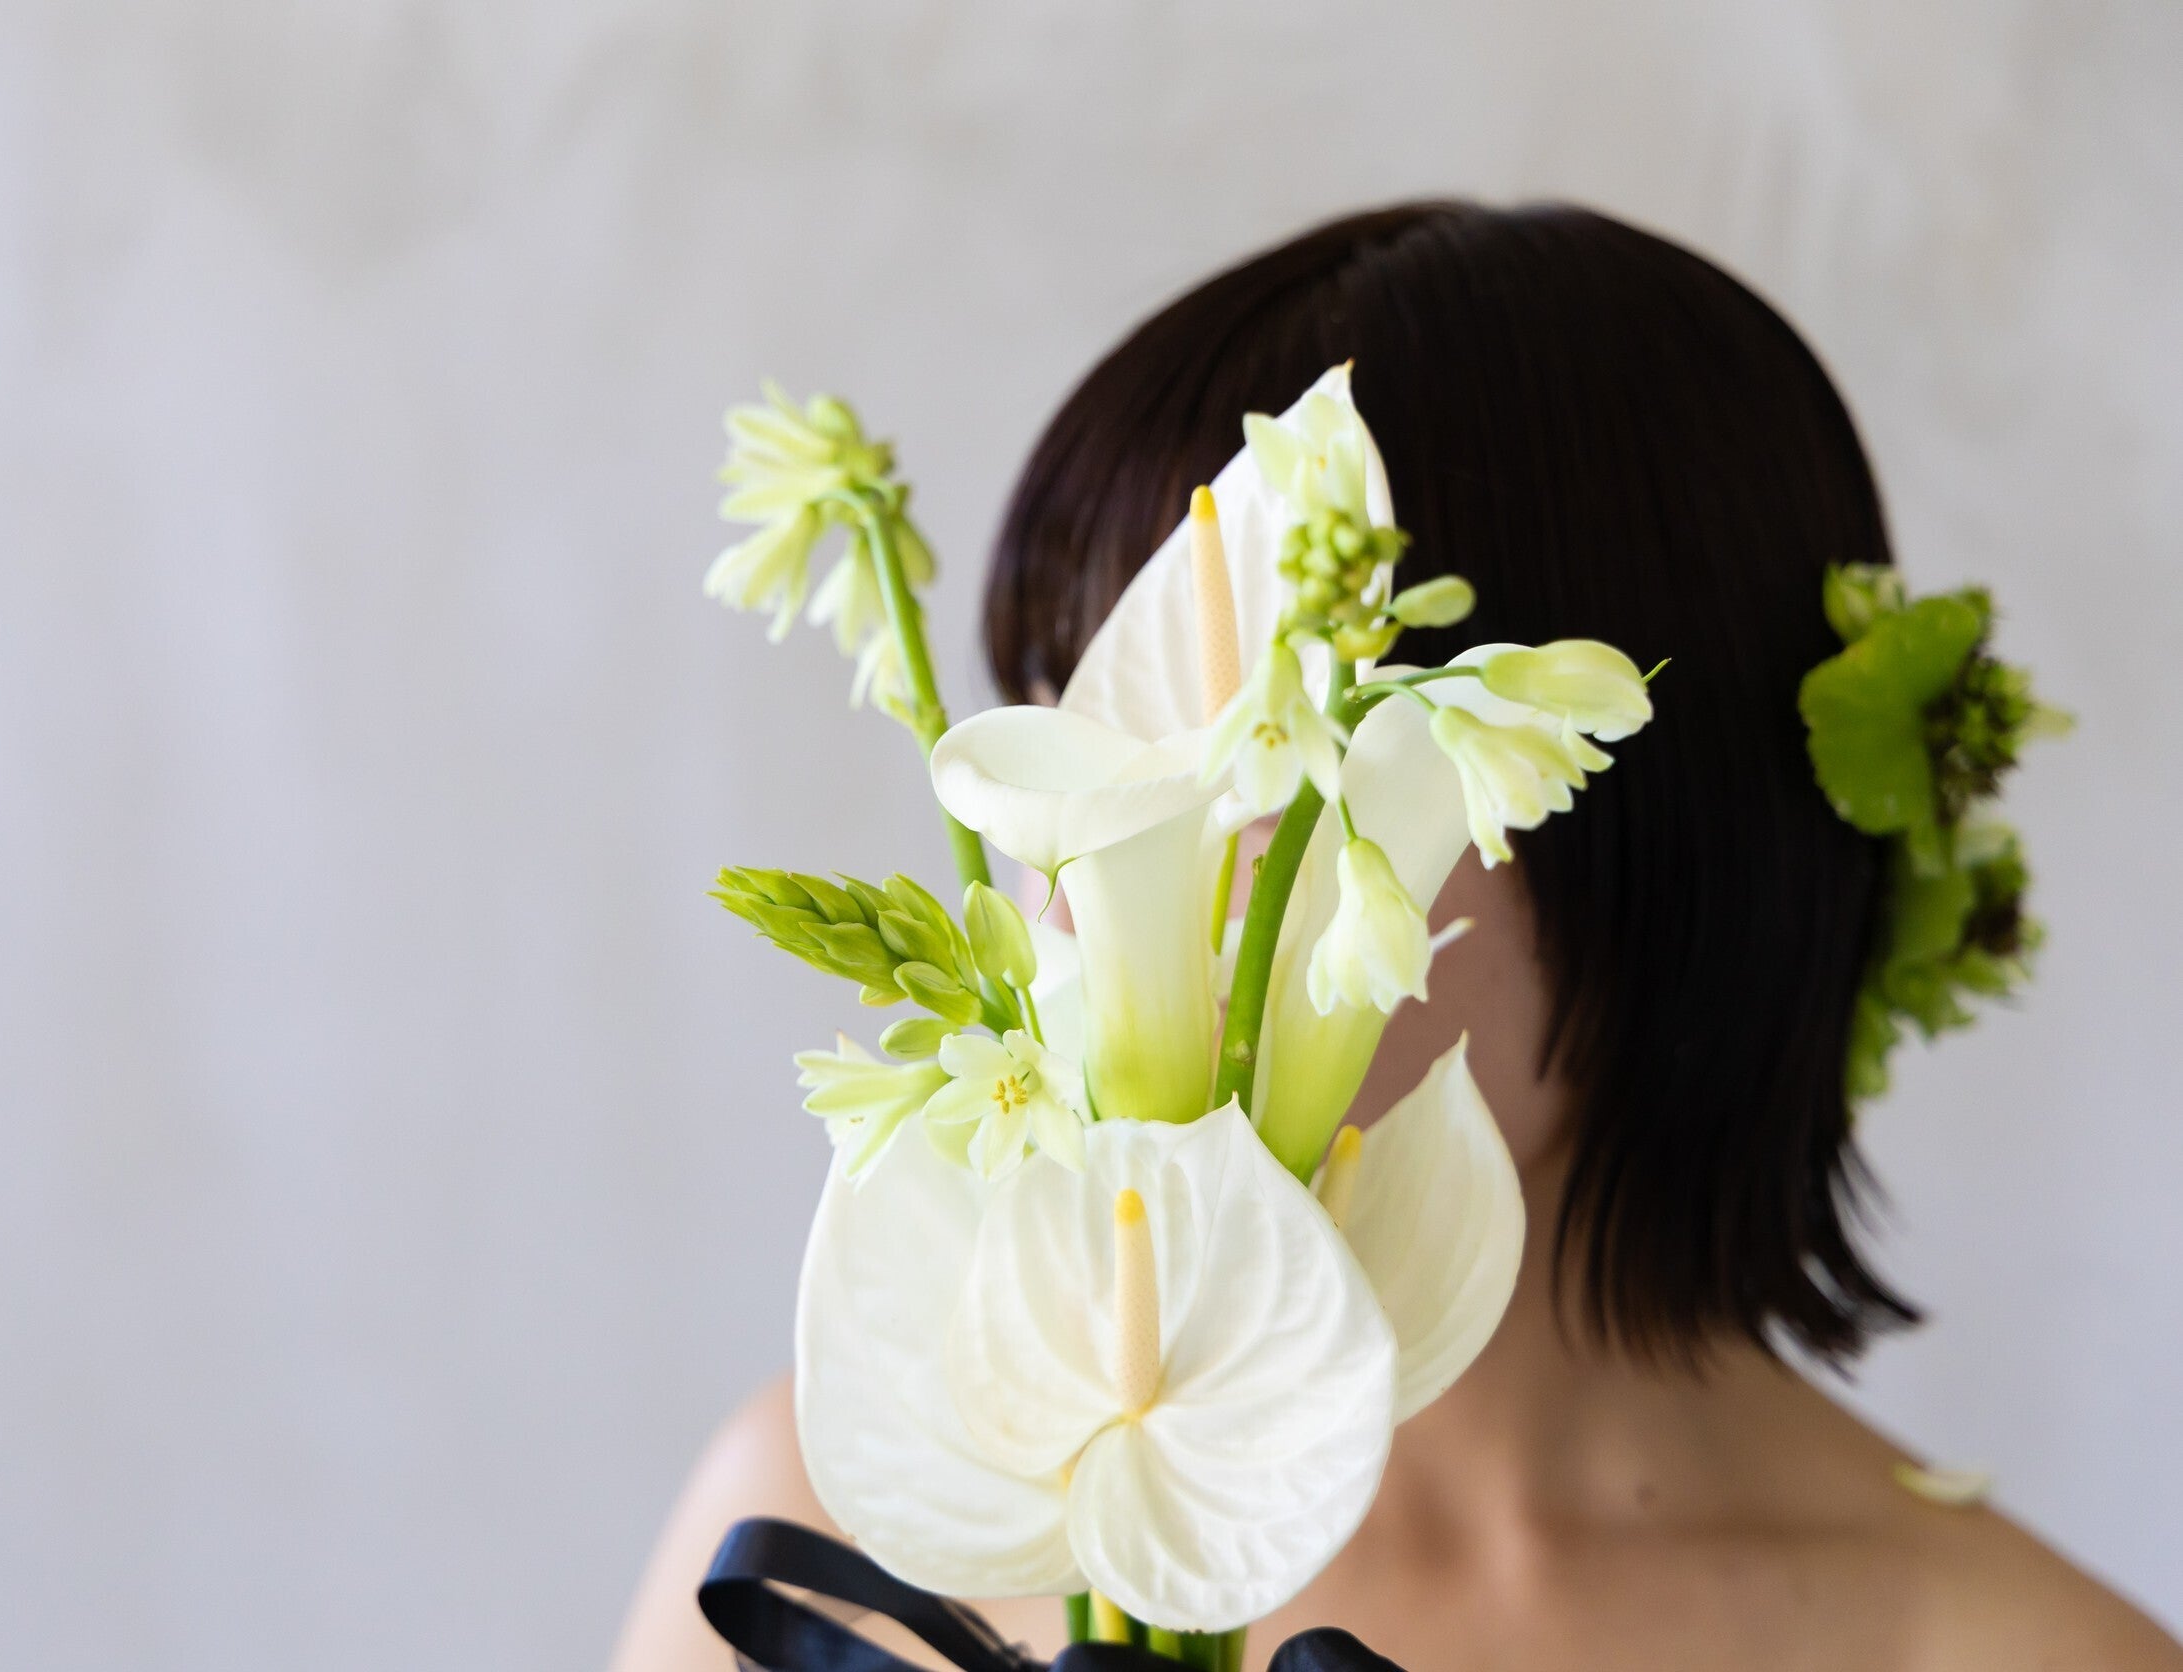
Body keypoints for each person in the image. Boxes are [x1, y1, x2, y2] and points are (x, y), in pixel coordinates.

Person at [609, 202, 2183, 1672]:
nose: (1070, 895)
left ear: (1657, 823)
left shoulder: (2013, 1651)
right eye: (1074, 711)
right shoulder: (817, 1533)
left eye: (1262, 755)